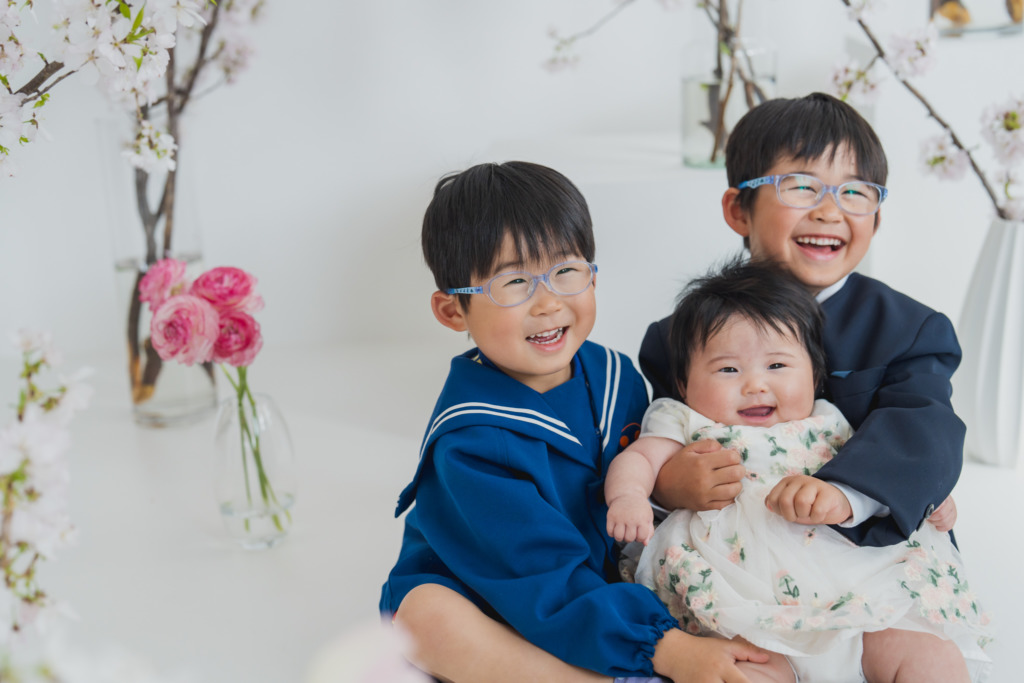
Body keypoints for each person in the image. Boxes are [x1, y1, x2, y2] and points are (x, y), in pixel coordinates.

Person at [379, 161, 777, 683]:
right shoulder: (471, 440)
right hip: (500, 592)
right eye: (514, 281)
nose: (548, 303)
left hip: (602, 587)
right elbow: (537, 572)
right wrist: (664, 647)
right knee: (425, 617)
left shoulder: (618, 376)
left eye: (566, 271)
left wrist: (671, 486)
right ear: (454, 311)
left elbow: (641, 486)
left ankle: (624, 649)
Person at [607, 259, 992, 682]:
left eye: (777, 366)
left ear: (814, 374)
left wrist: (930, 496)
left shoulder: (828, 418)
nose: (755, 385)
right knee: (739, 670)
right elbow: (641, 458)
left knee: (927, 654)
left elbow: (894, 462)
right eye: (728, 369)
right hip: (744, 604)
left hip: (860, 597)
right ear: (683, 384)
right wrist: (629, 495)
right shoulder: (683, 419)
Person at [640, 92, 964, 551]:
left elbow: (925, 428)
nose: (829, 211)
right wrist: (667, 485)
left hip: (864, 547)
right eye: (801, 187)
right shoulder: (678, 336)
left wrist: (847, 493)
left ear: (876, 219)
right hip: (733, 547)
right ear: (739, 210)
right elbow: (664, 436)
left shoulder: (909, 330)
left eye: (855, 192)